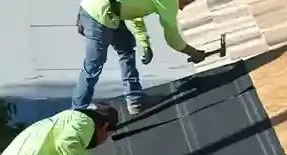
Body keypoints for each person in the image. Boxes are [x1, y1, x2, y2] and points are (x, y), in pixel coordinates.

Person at [73, 0, 209, 114]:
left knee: (126, 49)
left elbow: (133, 13)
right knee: (94, 65)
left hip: (108, 11)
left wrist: (144, 43)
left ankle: (135, 100)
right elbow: (172, 38)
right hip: (97, 15)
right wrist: (193, 52)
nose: (183, 8)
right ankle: (78, 109)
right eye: (187, 2)